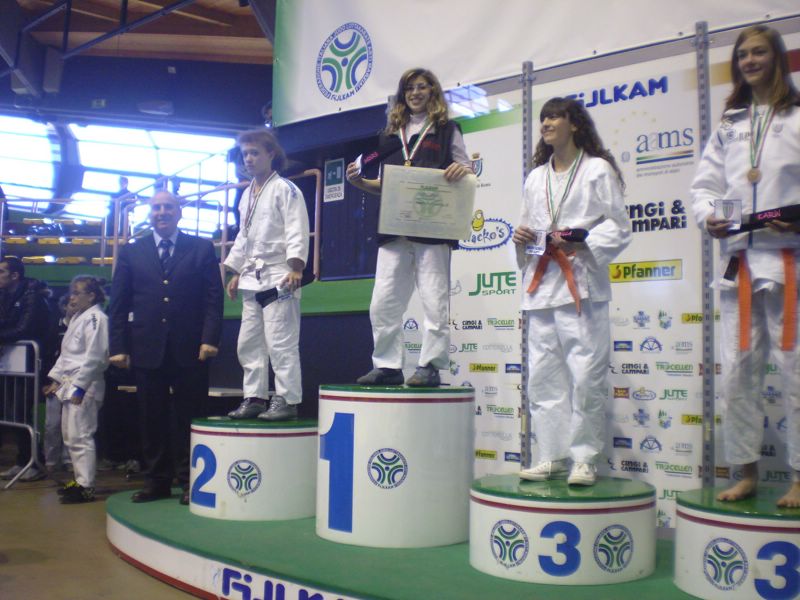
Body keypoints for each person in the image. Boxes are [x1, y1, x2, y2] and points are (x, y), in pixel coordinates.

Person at [690, 25, 800, 507]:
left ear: (778, 58)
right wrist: (709, 217)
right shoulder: (730, 124)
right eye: (742, 55)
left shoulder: (797, 117)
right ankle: (746, 470)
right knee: (736, 373)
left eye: (759, 52)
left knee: (796, 371)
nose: (750, 61)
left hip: (788, 259)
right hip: (739, 262)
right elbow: (704, 187)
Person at [514, 97, 630, 486]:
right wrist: (522, 239)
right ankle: (551, 454)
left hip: (581, 284)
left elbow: (618, 226)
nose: (546, 123)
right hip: (541, 286)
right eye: (543, 118)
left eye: (554, 117)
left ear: (574, 124)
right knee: (543, 378)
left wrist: (582, 241)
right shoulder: (535, 178)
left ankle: (584, 458)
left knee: (585, 377)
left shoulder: (597, 170)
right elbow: (530, 232)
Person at [345, 67, 472, 387]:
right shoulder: (389, 136)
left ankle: (430, 366)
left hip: (432, 227)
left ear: (433, 92)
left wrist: (462, 170)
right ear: (402, 95)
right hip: (393, 229)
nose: (415, 93)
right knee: (383, 301)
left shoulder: (447, 130)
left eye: (422, 87)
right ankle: (388, 366)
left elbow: (467, 169)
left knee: (434, 300)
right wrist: (360, 183)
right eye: (410, 88)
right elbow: (384, 185)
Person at [108, 191, 223, 505]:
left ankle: (191, 480)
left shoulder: (201, 248)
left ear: (179, 212)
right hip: (146, 348)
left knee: (191, 417)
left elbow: (213, 299)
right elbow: (118, 303)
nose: (162, 212)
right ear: (150, 213)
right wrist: (117, 345)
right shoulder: (131, 251)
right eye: (157, 207)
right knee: (151, 418)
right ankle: (156, 481)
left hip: (192, 348)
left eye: (168, 207)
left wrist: (210, 339)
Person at [224, 130, 309, 421]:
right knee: (248, 343)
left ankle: (287, 399)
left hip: (279, 275)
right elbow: (244, 236)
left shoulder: (286, 189)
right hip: (252, 277)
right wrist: (236, 270)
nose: (248, 159)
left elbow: (297, 227)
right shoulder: (247, 194)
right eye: (245, 154)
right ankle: (255, 397)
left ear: (271, 153)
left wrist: (296, 266)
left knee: (281, 342)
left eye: (255, 153)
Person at [43, 275, 109, 503]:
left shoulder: (97, 318)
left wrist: (80, 387)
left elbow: (96, 356)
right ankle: (80, 480)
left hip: (86, 384)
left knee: (81, 435)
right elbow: (67, 355)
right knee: (71, 436)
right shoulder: (79, 317)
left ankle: (86, 486)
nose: (72, 297)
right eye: (71, 292)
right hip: (70, 383)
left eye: (77, 293)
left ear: (91, 295)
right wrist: (56, 379)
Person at [0, 256, 51, 482]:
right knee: (12, 414)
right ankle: (22, 461)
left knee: (21, 412)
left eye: (1, 272)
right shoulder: (5, 296)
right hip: (12, 365)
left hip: (31, 363)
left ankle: (34, 461)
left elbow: (24, 329)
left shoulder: (33, 297)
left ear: (15, 275)